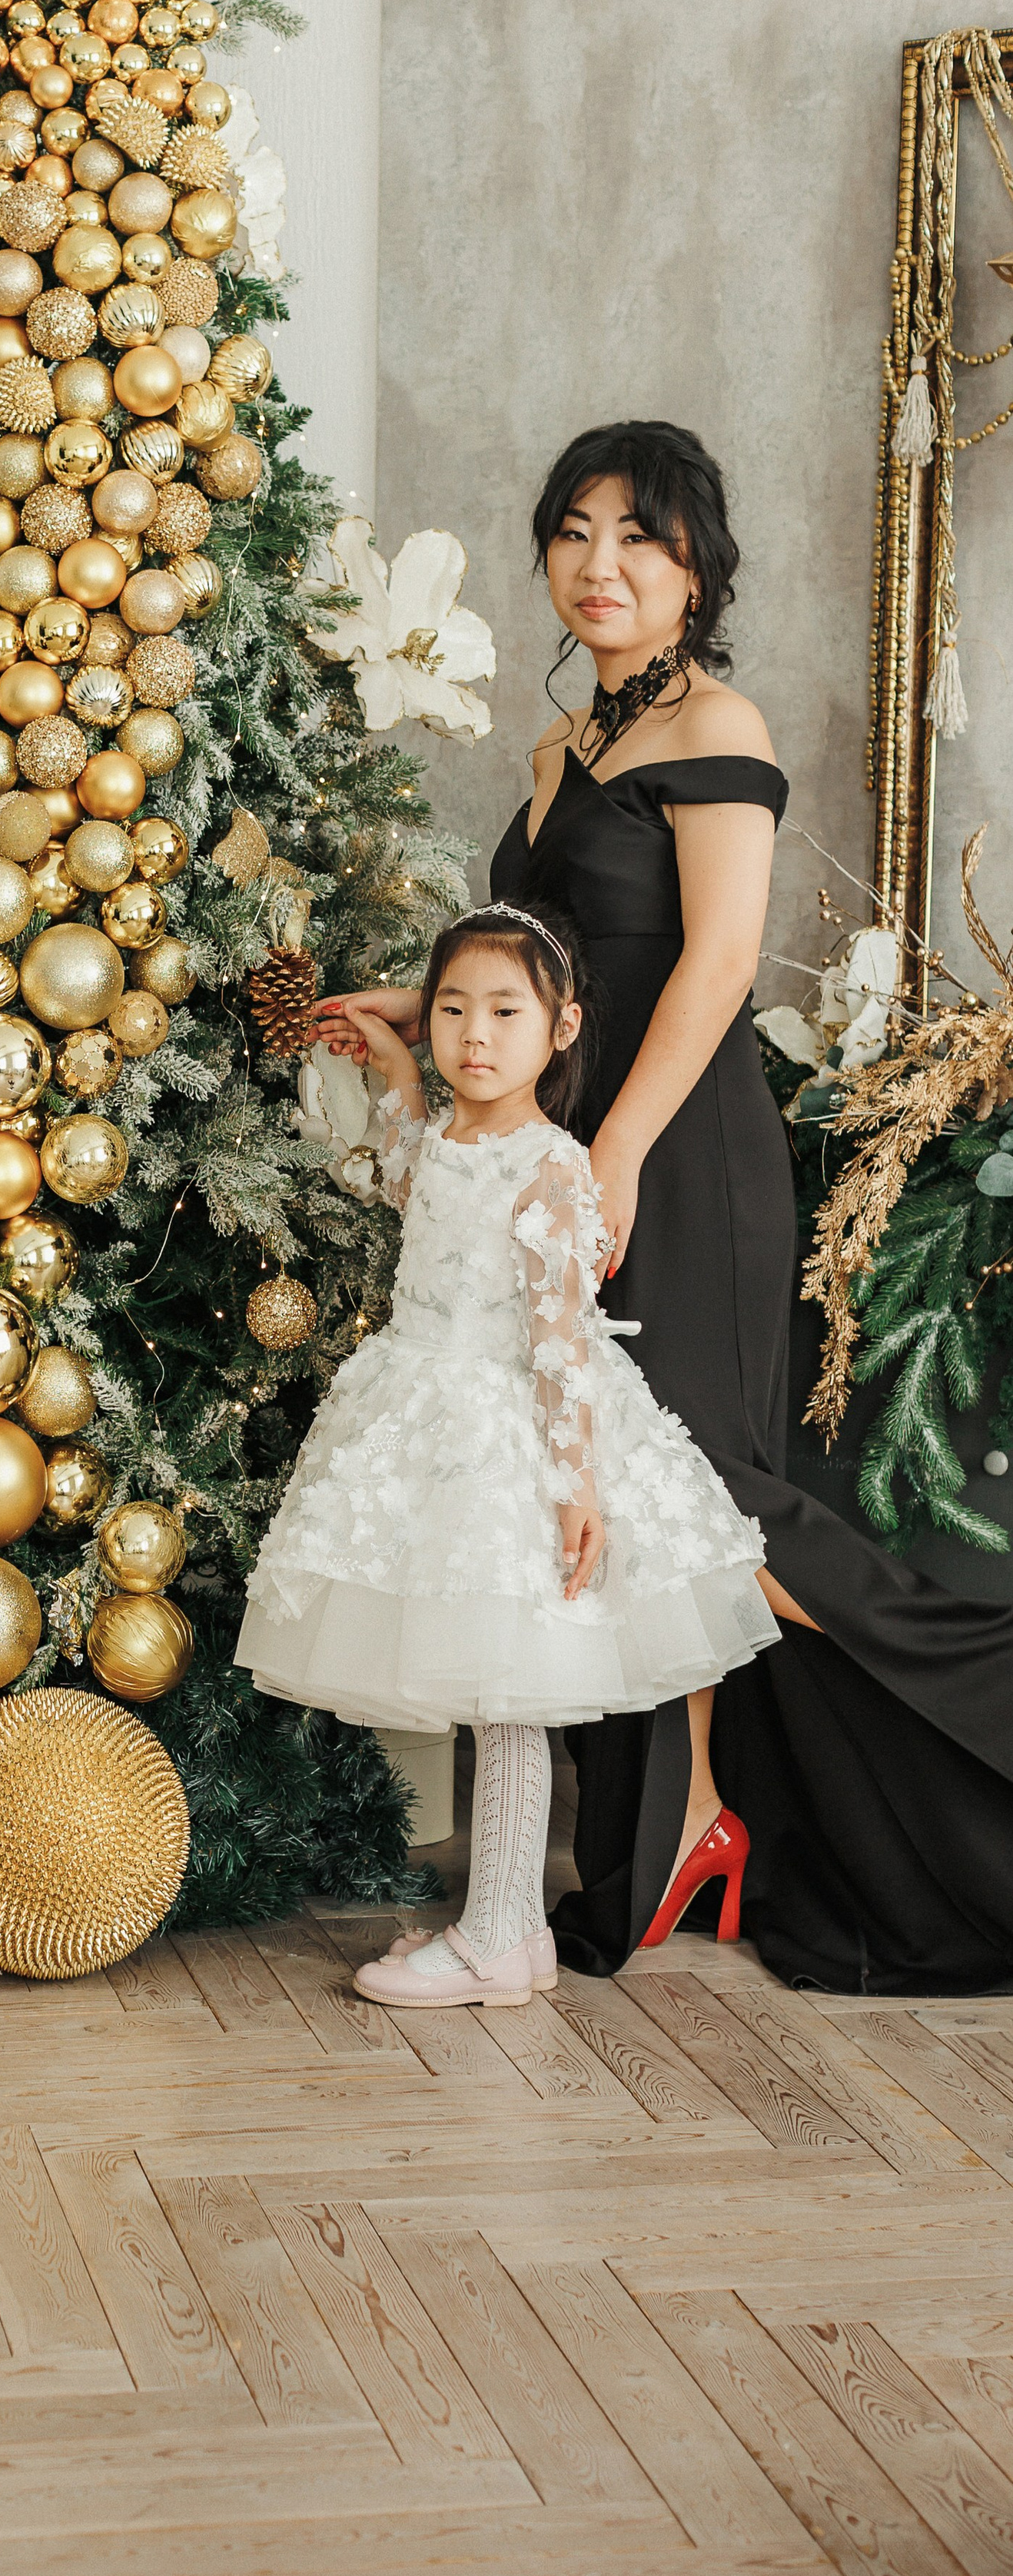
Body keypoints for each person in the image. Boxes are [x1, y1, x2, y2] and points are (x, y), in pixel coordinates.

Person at [313, 421, 1013, 1993]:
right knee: (631, 1510)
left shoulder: (721, 726)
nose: (597, 565)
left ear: (695, 564)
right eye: (570, 532)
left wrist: (612, 1151)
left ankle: (972, 1714)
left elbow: (711, 968)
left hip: (681, 1164)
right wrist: (420, 1013)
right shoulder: (562, 750)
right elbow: (553, 967)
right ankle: (687, 1819)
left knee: (704, 1507)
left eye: (638, 536)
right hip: (579, 1161)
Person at [237, 905, 778, 2007]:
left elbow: (564, 1342)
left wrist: (575, 1488)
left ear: (562, 1026)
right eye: (451, 1011)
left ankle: (497, 1934)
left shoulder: (554, 1169)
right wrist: (391, 1060)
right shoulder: (449, 1136)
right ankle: (513, 1933)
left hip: (512, 1436)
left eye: (504, 1012)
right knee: (496, 1692)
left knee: (513, 1691)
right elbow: (398, 1174)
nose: (475, 1036)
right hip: (425, 1404)